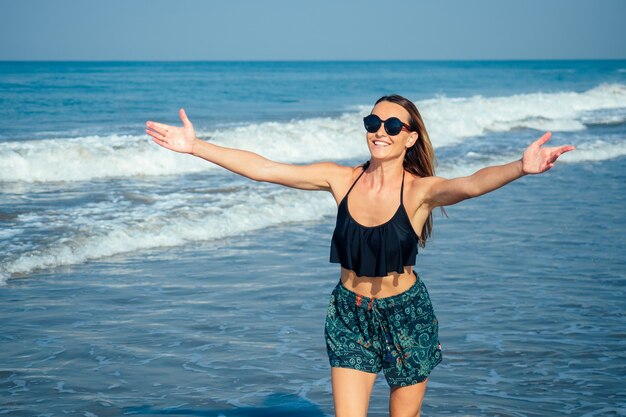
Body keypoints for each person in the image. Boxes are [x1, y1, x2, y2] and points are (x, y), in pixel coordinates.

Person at [145, 95, 575, 417]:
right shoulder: (340, 179)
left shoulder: (420, 191)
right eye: (373, 121)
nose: (380, 130)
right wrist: (196, 147)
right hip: (349, 314)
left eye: (392, 124)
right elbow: (266, 168)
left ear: (410, 137)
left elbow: (471, 183)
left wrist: (520, 168)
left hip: (406, 316)